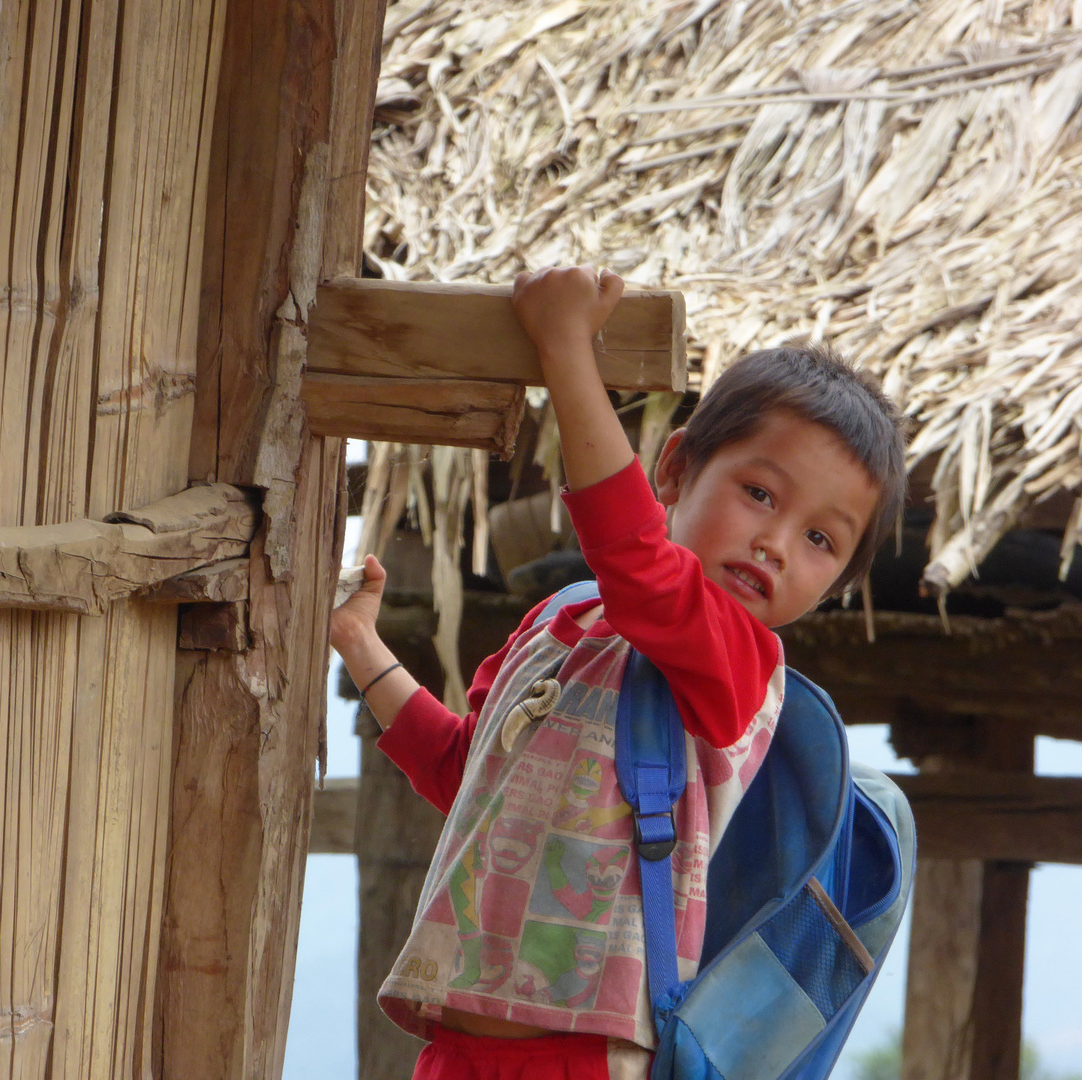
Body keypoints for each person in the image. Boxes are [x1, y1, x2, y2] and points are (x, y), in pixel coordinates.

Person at [329, 265, 907, 1080]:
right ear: (675, 470)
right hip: (455, 1047)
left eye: (823, 540)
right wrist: (361, 645)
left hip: (588, 1059)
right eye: (760, 493)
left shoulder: (738, 663)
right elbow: (469, 771)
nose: (778, 543)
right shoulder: (562, 621)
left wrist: (564, 345)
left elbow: (638, 560)